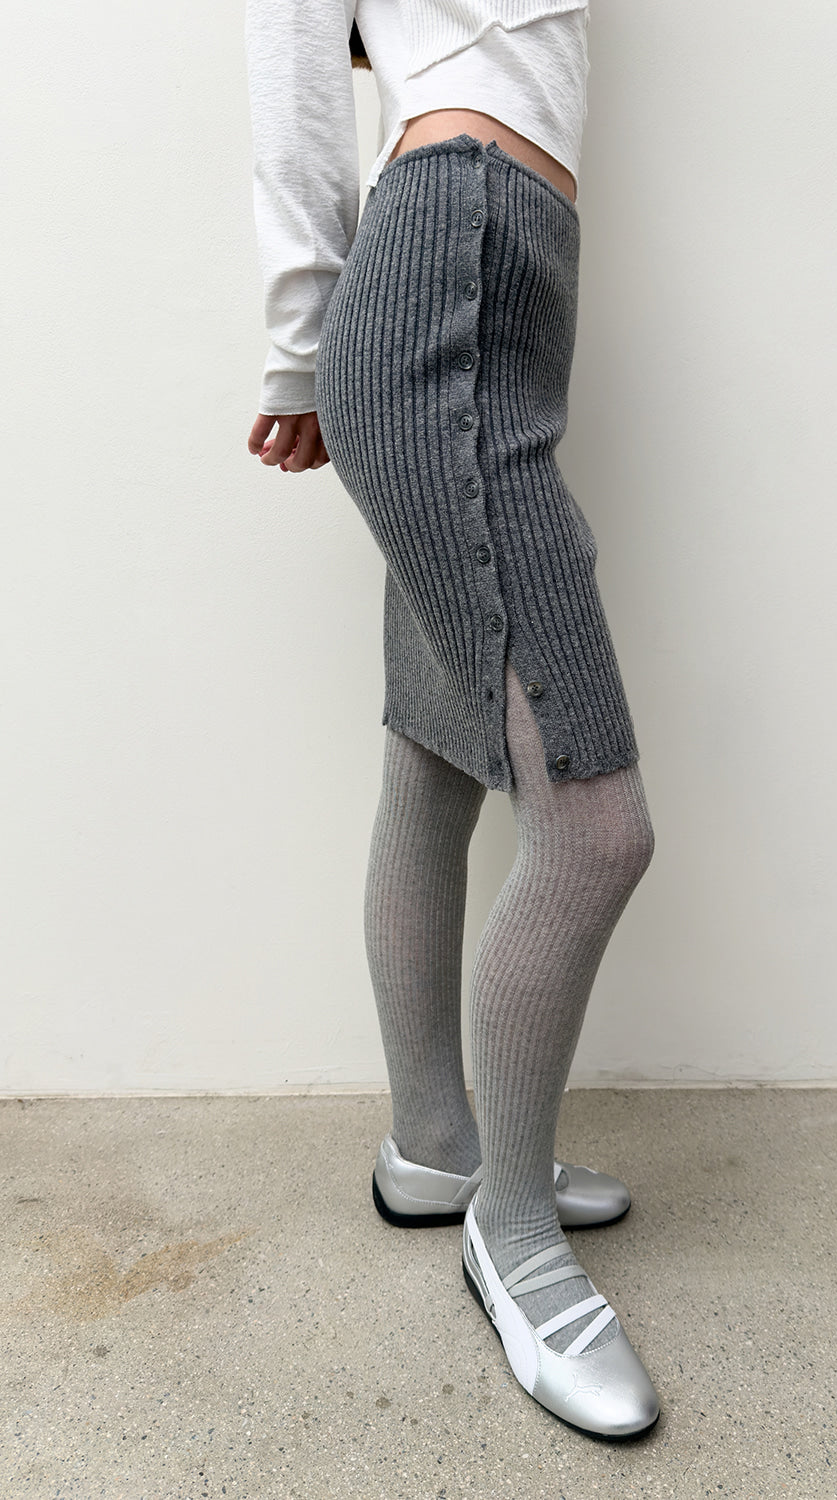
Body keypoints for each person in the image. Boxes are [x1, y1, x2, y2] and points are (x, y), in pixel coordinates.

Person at [245, 0, 659, 1439]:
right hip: (448, 264)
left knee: (435, 755)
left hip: (503, 269)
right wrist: (299, 348)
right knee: (597, 826)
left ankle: (434, 1147)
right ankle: (514, 1233)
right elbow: (292, 63)